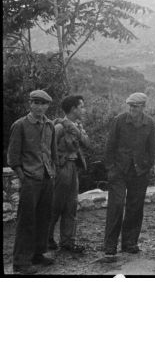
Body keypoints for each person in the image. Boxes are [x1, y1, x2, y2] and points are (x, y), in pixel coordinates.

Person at [7, 90, 57, 274]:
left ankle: (38, 254)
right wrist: (23, 178)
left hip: (46, 178)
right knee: (26, 220)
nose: (40, 107)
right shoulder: (20, 125)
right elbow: (13, 157)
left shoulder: (50, 125)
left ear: (47, 106)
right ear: (30, 104)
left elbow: (52, 153)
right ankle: (20, 262)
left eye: (44, 104)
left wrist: (53, 172)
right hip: (30, 179)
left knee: (44, 218)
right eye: (36, 102)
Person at [103, 92, 155, 260]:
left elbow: (152, 149)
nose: (132, 109)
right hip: (119, 170)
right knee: (116, 205)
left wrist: (147, 166)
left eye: (136, 106)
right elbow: (109, 146)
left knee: (135, 207)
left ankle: (129, 243)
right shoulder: (119, 121)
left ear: (143, 107)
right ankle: (110, 245)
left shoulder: (150, 124)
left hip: (139, 171)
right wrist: (111, 168)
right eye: (130, 106)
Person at [48, 95, 90, 254]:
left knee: (71, 206)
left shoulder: (77, 126)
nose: (83, 110)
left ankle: (67, 241)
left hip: (73, 168)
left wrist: (77, 130)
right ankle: (46, 239)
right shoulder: (59, 127)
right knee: (55, 205)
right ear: (73, 109)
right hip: (61, 168)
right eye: (81, 107)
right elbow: (48, 148)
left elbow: (87, 143)